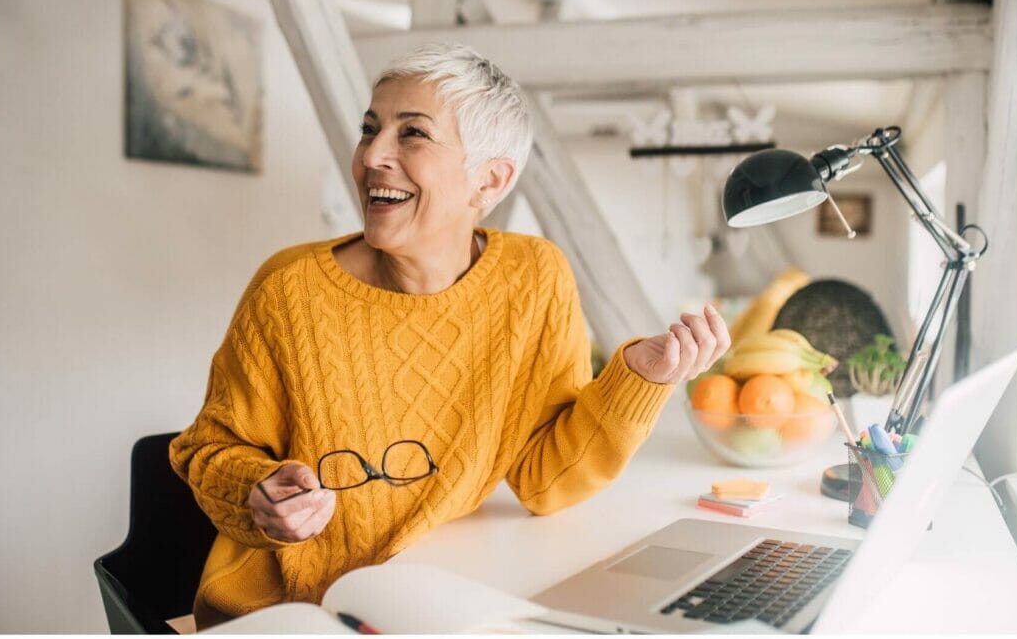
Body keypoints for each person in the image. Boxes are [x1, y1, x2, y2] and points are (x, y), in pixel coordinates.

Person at [169, 42, 731, 629]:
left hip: (430, 591)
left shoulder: (534, 278)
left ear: (489, 180)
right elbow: (204, 449)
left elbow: (547, 481)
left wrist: (640, 376)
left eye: (412, 134)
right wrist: (257, 492)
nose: (371, 157)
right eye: (370, 129)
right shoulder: (289, 290)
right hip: (285, 608)